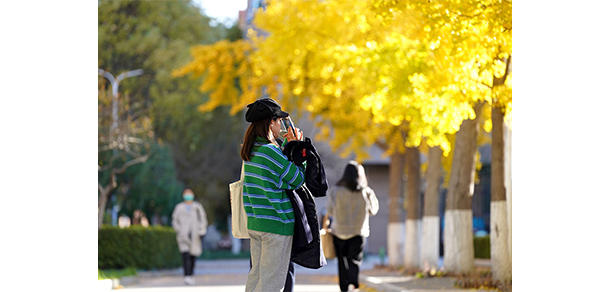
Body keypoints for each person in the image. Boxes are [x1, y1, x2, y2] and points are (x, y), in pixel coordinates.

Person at [241, 97, 305, 292]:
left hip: (257, 223)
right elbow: (297, 178)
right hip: (276, 225)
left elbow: (277, 178)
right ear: (271, 122)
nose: (281, 125)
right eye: (279, 121)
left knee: (256, 280)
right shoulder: (270, 151)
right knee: (271, 284)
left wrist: (286, 147)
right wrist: (298, 149)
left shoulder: (251, 151)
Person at [326, 161, 379, 292]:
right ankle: (353, 285)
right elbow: (374, 210)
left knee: (342, 262)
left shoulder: (335, 191)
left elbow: (330, 210)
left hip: (339, 231)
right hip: (358, 232)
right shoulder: (366, 191)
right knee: (354, 261)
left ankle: (344, 288)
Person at [172, 188, 208, 286]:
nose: (188, 196)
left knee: (193, 256)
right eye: (186, 194)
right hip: (183, 235)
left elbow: (203, 219)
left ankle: (191, 275)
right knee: (185, 255)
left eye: (189, 194)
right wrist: (178, 229)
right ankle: (186, 276)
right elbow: (175, 220)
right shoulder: (179, 207)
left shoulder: (197, 207)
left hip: (195, 235)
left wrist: (201, 228)